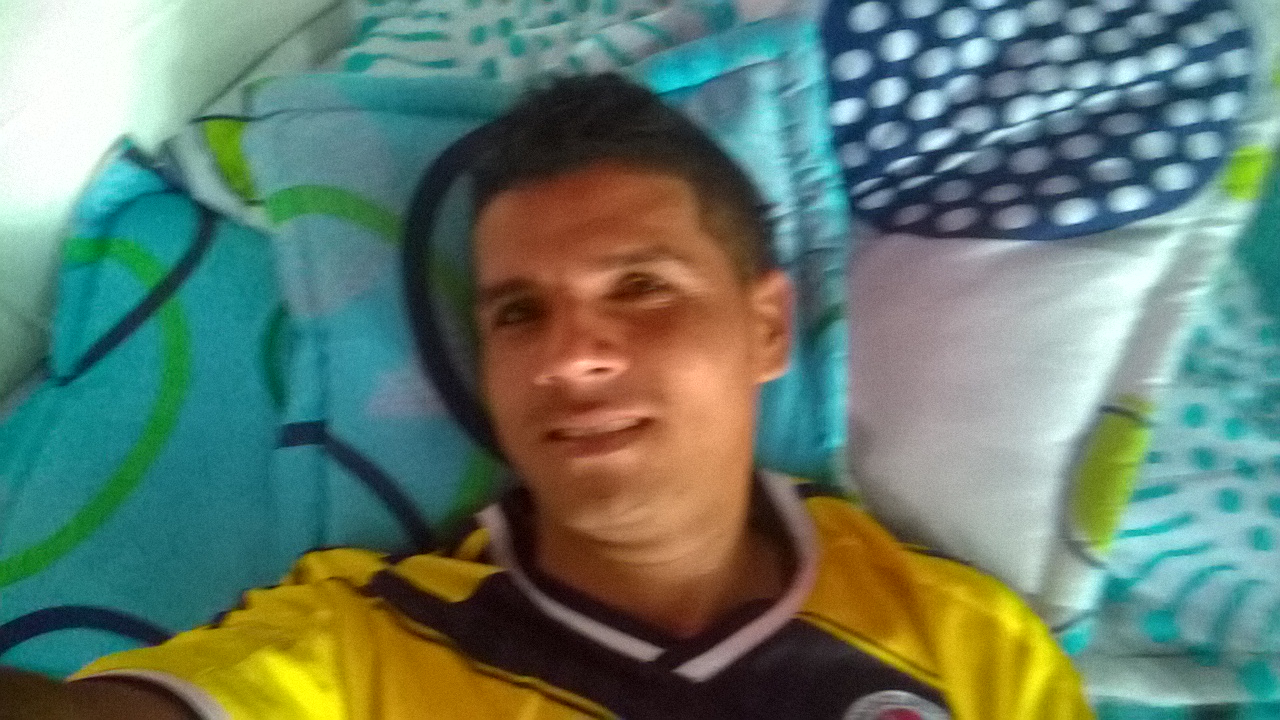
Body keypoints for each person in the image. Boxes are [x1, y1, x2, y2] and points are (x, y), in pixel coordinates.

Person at [0, 74, 1094, 720]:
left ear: (766, 327)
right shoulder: (369, 636)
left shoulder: (970, 648)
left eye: (640, 288)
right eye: (519, 312)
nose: (568, 361)